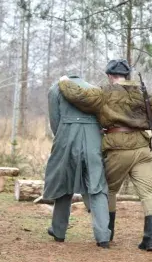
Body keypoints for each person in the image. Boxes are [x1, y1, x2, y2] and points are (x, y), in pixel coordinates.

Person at [58, 60, 152, 251]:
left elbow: (79, 96)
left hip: (118, 148)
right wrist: (138, 123)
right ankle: (150, 239)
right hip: (142, 148)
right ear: (127, 75)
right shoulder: (144, 92)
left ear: (109, 75)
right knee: (147, 194)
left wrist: (64, 81)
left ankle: (108, 233)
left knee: (108, 191)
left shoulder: (104, 92)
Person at [43, 75, 111, 248]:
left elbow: (54, 121)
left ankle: (58, 231)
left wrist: (63, 137)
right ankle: (103, 236)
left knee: (63, 183)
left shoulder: (55, 89)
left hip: (66, 135)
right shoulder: (94, 90)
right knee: (97, 185)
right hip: (93, 138)